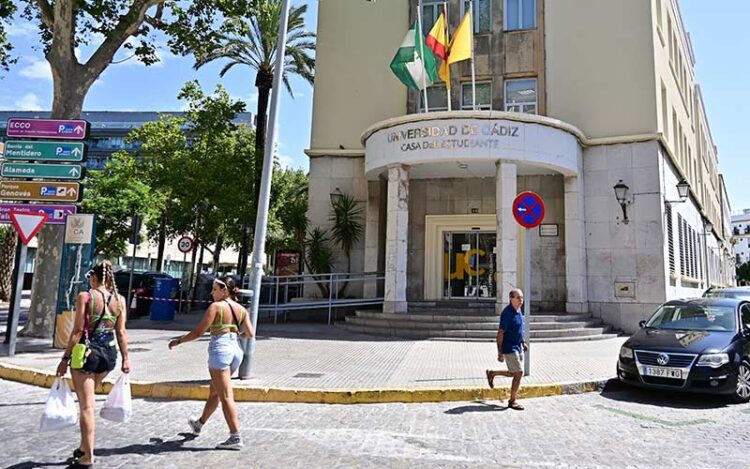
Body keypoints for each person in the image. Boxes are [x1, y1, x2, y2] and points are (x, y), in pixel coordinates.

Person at [57, 260, 130, 468]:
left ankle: (88, 455)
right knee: (88, 401)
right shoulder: (120, 300)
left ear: (95, 277)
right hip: (109, 356)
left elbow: (78, 330)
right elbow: (122, 332)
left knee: (86, 406)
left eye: (90, 277)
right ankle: (82, 447)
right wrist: (126, 358)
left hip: (86, 355)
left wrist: (64, 359)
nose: (89, 280)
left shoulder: (86, 296)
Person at [168, 276, 254, 450]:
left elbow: (199, 332)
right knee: (215, 392)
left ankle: (235, 436)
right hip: (236, 351)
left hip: (220, 351)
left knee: (226, 396)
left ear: (224, 290)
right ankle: (199, 423)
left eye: (214, 289)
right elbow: (250, 333)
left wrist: (179, 341)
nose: (211, 292)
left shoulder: (216, 307)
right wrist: (236, 335)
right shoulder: (241, 309)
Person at [485, 288, 528, 410]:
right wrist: (500, 352)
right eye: (518, 298)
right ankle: (512, 401)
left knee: (514, 372)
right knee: (519, 373)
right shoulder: (507, 313)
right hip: (509, 347)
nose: (521, 300)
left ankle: (492, 373)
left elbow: (518, 330)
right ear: (511, 298)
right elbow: (500, 333)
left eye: (522, 298)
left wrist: (523, 342)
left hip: (517, 347)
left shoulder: (518, 311)